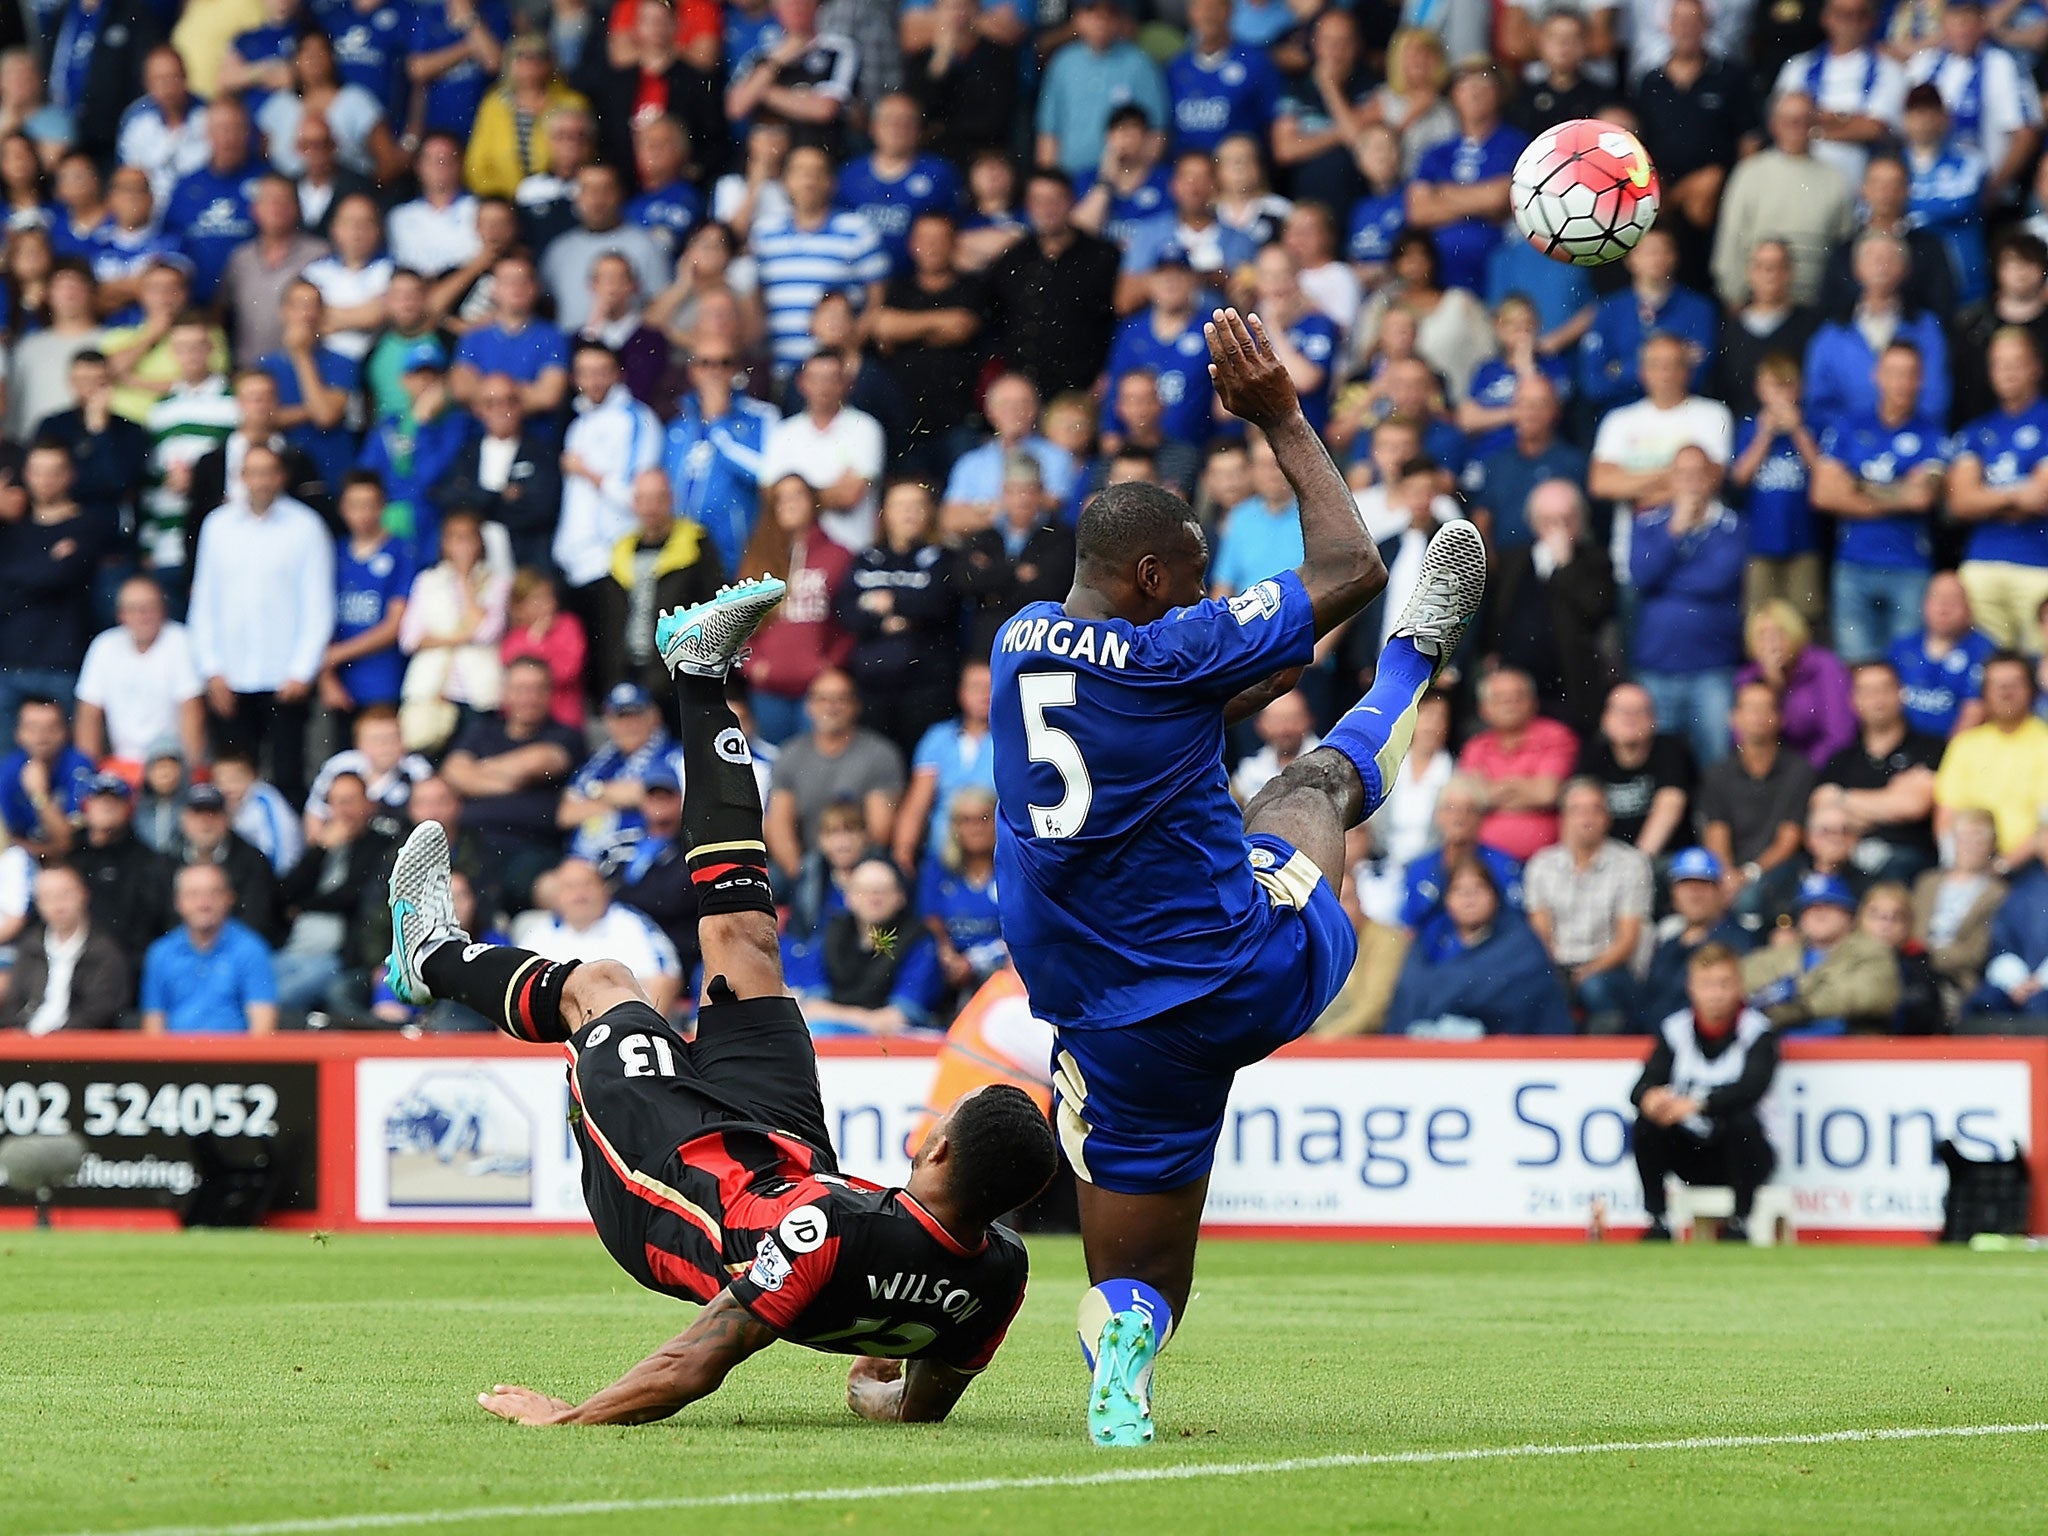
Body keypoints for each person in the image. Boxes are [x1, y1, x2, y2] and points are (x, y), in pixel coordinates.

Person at [382, 577, 1055, 1424]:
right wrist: (878, 1391)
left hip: (670, 1191)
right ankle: (700, 676)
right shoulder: (1001, 1273)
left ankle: (434, 954)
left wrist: (568, 1416)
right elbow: (922, 1405)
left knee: (605, 984)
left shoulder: (835, 1238)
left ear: (943, 1154)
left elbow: (699, 1358)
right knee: (747, 938)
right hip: (788, 1161)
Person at [988, 306, 1483, 1445]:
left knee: (1138, 1278)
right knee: (1305, 790)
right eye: (1200, 581)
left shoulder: (1019, 641)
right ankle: (1406, 672)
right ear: (1152, 573)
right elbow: (1348, 562)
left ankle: (1120, 1353)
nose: (1212, 599)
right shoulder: (1174, 651)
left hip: (1106, 1020)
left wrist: (1229, 663)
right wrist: (1279, 416)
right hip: (1239, 967)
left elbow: (1183, 704)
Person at [186, 444, 336, 806]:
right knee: (232, 779)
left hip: (285, 676)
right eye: (253, 472)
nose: (261, 480)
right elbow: (204, 601)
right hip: (230, 677)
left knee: (287, 775)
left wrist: (302, 670)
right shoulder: (217, 526)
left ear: (281, 476)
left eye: (268, 471)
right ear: (241, 476)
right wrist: (211, 670)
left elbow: (318, 604)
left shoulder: (306, 526)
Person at [1631, 944, 1780, 1243]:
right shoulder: (1675, 1030)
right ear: (1691, 988)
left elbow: (1751, 1088)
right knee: (1647, 1124)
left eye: (1724, 984)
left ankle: (1740, 1221)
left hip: (1748, 1155)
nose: (1715, 993)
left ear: (1739, 986)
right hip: (1694, 1153)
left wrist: (1698, 1105)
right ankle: (1657, 1219)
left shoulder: (1759, 1032)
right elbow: (1641, 1086)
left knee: (1741, 1120)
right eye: (1707, 984)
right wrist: (1651, 1098)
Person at [1811, 340, 1947, 663]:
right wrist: (1896, 491)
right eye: (1893, 372)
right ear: (1877, 375)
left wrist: (1857, 485)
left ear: (1921, 379)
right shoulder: (1848, 427)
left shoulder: (1933, 435)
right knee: (1856, 671)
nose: (1900, 382)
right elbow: (1823, 494)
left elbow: (1921, 498)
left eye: (1909, 374)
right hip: (1853, 564)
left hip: (1909, 567)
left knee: (1904, 670)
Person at [1626, 444, 1747, 770]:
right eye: (1683, 473)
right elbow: (1641, 575)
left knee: (1717, 763)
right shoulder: (1648, 523)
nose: (1691, 481)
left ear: (1712, 479)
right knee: (1658, 767)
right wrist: (1675, 530)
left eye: (1699, 473)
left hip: (1712, 670)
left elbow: (1717, 579)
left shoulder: (1733, 525)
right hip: (1656, 668)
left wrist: (1665, 582)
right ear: (1671, 478)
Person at [439, 656, 586, 905]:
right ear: (505, 692)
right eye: (521, 689)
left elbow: (537, 762)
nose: (529, 697)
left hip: (531, 850)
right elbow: (453, 772)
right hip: (472, 846)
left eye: (538, 689)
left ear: (550, 694)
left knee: (556, 891)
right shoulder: (482, 731)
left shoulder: (565, 735)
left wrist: (479, 769)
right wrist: (511, 781)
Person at [1383, 855, 1574, 1038]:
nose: (1469, 898)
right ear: (1446, 899)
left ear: (1495, 896)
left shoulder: (1520, 942)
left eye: (1477, 889)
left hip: (1509, 1053)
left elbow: (1510, 992)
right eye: (1459, 890)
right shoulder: (1430, 939)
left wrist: (1444, 996)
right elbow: (1410, 989)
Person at [1946, 329, 2048, 653]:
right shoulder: (1977, 430)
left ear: (2036, 367)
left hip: (2038, 564)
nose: (2007, 372)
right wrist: (2018, 495)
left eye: (2016, 363)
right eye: (1999, 364)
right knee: (1988, 671)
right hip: (1982, 563)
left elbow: (2043, 497)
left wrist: (1987, 497)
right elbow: (1961, 502)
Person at [1524, 778, 1653, 1033]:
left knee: (1595, 988)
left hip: (1611, 968)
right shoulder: (1541, 865)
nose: (1587, 818)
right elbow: (1540, 933)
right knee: (1531, 988)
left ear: (1608, 817)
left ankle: (1603, 1059)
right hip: (1558, 966)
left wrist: (1586, 972)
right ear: (1563, 817)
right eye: (1577, 810)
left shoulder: (1631, 864)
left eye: (1595, 809)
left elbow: (1627, 940)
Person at [1709, 91, 1856, 309]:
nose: (1796, 126)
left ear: (1814, 124)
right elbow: (1731, 240)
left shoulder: (1836, 178)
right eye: (1788, 120)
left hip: (1816, 307)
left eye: (1804, 120)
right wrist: (1734, 297)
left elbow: (1844, 249)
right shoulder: (1749, 172)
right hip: (1756, 305)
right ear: (1773, 125)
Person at [1814, 661, 1945, 884]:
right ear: (1854, 701)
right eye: (1868, 691)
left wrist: (1842, 798)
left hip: (1909, 859)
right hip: (1849, 856)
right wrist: (1889, 801)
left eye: (1884, 689)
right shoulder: (1841, 760)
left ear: (1901, 694)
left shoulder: (1931, 748)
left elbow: (1913, 806)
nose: (1877, 699)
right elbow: (1821, 807)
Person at [73, 575, 207, 781]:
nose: (142, 615)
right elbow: (88, 715)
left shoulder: (181, 640)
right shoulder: (104, 646)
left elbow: (192, 711)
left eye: (149, 607)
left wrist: (188, 776)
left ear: (164, 610)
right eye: (134, 609)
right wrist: (88, 775)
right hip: (121, 766)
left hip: (171, 765)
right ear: (121, 615)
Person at [1741, 872, 1903, 1034]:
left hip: (1850, 1047)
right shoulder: (1777, 955)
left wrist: (1795, 1002)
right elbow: (1741, 985)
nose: (1819, 913)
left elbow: (1873, 995)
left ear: (1849, 914)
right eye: (1810, 907)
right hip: (1782, 1049)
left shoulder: (1873, 951)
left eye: (1829, 904)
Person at [1700, 681, 1817, 905]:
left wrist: (1747, 875)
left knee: (1749, 899)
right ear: (1733, 718)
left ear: (1781, 717)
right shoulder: (1718, 773)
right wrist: (1727, 876)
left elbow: (1789, 840)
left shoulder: (1799, 770)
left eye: (1766, 708)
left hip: (1778, 869)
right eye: (1751, 708)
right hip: (1731, 874)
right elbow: (1716, 833)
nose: (1759, 716)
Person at [1933, 651, 2048, 868]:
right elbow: (1946, 815)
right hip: (1967, 865)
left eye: (2014, 684)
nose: (2006, 692)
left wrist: (2000, 867)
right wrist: (1957, 867)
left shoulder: (2045, 742)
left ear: (2031, 690)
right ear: (1984, 693)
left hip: (2026, 865)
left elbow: (2046, 825)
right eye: (1997, 685)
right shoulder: (1964, 744)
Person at [139, 861, 278, 1035]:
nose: (203, 904)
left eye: (213, 893)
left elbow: (263, 1029)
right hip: (175, 1058)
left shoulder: (251, 950)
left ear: (229, 898)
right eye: (193, 894)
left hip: (234, 1058)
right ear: (178, 902)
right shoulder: (160, 953)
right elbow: (153, 1026)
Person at [1455, 668, 1577, 863]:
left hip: (1544, 860)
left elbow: (1547, 794)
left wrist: (1493, 791)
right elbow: (1473, 800)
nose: (1510, 704)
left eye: (1518, 696)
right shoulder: (1475, 746)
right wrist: (1527, 787)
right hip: (1485, 864)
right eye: (1501, 698)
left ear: (1534, 702)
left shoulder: (1555, 736)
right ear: (1484, 709)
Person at [1636, 848, 1757, 1031]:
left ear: (1720, 892)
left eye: (1703, 884)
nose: (1694, 894)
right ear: (1674, 894)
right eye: (1686, 885)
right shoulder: (1667, 946)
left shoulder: (1739, 941)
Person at [0, 863, 131, 1032]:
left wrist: (55, 1038)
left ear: (83, 894)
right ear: (38, 903)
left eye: (65, 894)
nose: (57, 904)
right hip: (25, 1044)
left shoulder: (105, 952)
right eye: (48, 897)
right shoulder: (30, 947)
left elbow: (100, 1011)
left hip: (80, 1048)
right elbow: (14, 1003)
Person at [1574, 682, 1694, 859]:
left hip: (1662, 858)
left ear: (1653, 719)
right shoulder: (1593, 754)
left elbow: (1671, 804)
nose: (1630, 718)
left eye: (1639, 711)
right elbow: (1577, 809)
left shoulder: (1670, 750)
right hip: (1606, 860)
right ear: (1605, 719)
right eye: (1622, 710)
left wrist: (1637, 863)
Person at [1737, 600, 1857, 769]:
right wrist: (1773, 687)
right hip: (1769, 773)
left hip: (1819, 767)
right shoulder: (1748, 677)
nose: (1772, 644)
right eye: (1763, 636)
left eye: (1779, 633)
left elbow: (1839, 735)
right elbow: (1741, 737)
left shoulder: (1825, 666)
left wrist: (1801, 774)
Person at [1911, 806, 2006, 1012]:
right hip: (1916, 972)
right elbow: (1913, 930)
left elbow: (1976, 953)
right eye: (1964, 837)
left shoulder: (1998, 893)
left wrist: (1927, 957)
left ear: (1992, 845)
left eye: (1978, 839)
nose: (1970, 846)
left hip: (1957, 979)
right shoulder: (1927, 883)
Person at [1890, 572, 1998, 738]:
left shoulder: (1984, 650)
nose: (1944, 607)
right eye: (1936, 598)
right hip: (1903, 747)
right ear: (1924, 604)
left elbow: (1975, 711)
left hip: (1955, 749)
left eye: (1953, 601)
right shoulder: (1901, 647)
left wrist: (1945, 760)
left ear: (1969, 608)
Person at [1, 697, 94, 860]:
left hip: (75, 862)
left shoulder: (80, 767)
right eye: (32, 728)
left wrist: (39, 795)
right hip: (20, 859)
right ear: (18, 733)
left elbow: (70, 843)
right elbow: (4, 840)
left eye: (51, 728)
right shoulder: (6, 770)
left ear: (66, 731)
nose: (41, 736)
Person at [1964, 860, 2048, 1020]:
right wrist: (2016, 982)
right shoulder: (2021, 890)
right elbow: (2001, 943)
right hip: (2016, 981)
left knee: (2039, 1006)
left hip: (2042, 990)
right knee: (1983, 1004)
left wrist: (2041, 981)